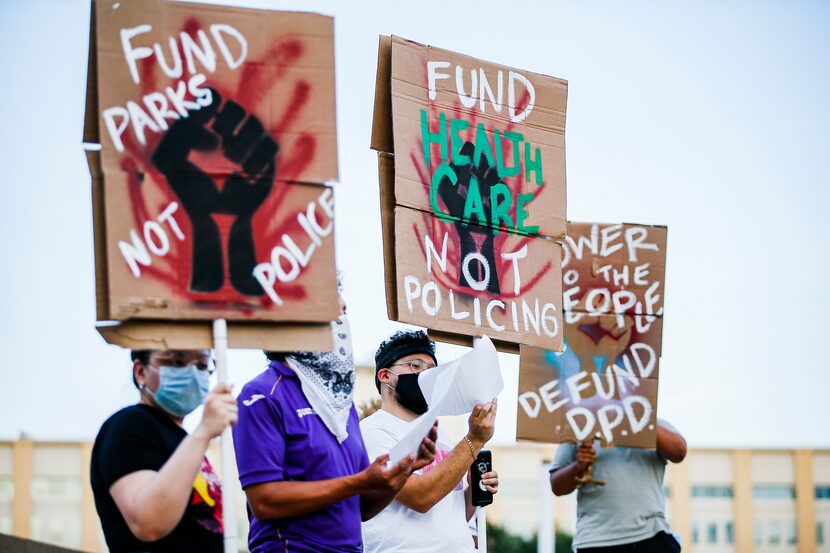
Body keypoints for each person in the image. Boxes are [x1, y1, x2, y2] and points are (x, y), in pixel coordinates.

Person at [232, 302, 437, 553]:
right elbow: (264, 502)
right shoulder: (262, 394)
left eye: (344, 311)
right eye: (332, 309)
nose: (341, 320)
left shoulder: (342, 405)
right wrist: (358, 482)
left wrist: (402, 471)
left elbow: (362, 508)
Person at [360, 330, 500, 553]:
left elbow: (453, 514)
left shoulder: (440, 435)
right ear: (385, 376)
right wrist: (473, 440)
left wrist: (474, 490)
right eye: (416, 366)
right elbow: (420, 498)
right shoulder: (372, 432)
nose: (426, 375)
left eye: (431, 369)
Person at [90, 348, 237, 553]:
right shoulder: (129, 425)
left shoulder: (182, 439)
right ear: (140, 371)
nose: (193, 374)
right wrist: (203, 432)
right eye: (177, 362)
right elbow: (149, 524)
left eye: (202, 365)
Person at [550, 421, 687, 552]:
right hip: (594, 540)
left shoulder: (652, 425)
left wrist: (641, 421)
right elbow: (556, 486)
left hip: (650, 536)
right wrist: (578, 467)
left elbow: (679, 451)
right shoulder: (579, 428)